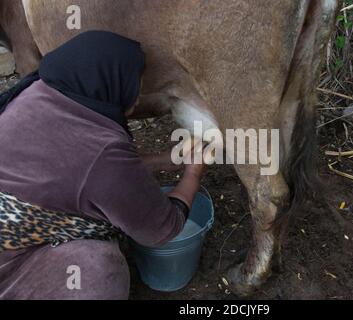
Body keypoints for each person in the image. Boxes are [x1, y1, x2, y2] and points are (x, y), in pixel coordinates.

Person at [0, 31, 204, 300]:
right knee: (98, 269)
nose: (138, 97)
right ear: (108, 82)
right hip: (10, 267)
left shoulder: (36, 94)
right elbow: (162, 228)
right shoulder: (103, 154)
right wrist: (192, 173)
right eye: (134, 86)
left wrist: (170, 158)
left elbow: (92, 167)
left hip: (13, 233)